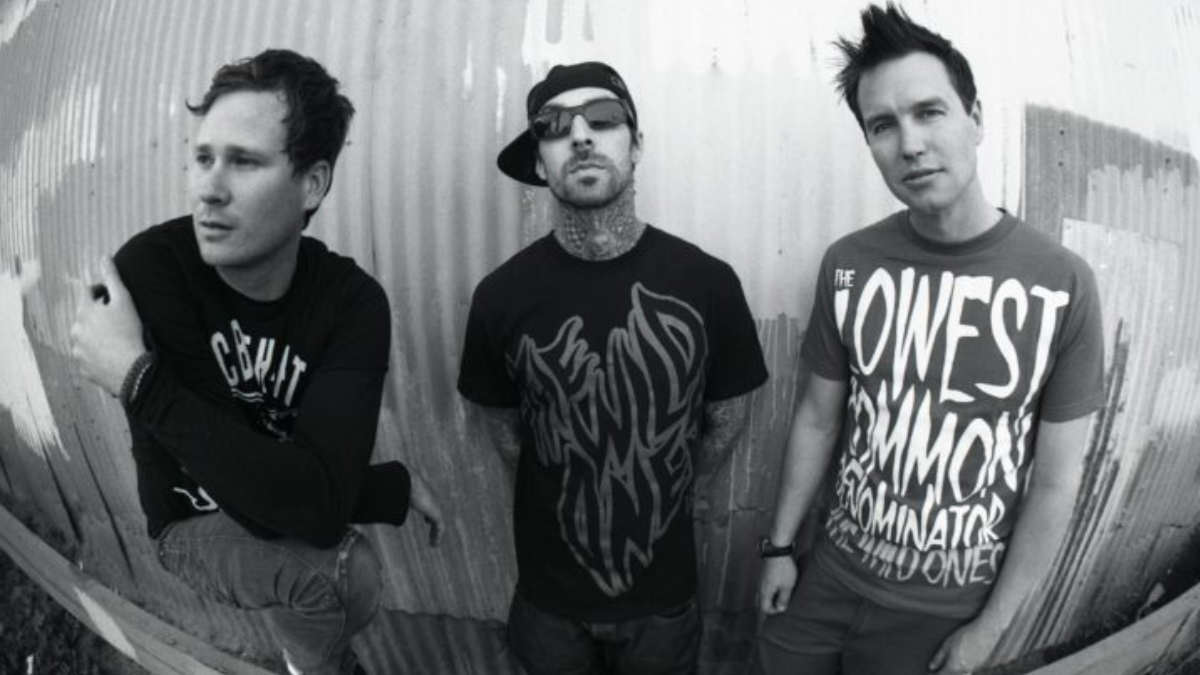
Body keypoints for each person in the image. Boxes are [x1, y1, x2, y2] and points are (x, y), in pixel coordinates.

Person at [753, 5, 1105, 675]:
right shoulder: (850, 265)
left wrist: (989, 631)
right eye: (883, 125)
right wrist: (778, 547)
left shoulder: (1061, 285)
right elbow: (819, 416)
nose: (909, 144)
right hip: (826, 576)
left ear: (976, 118)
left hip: (944, 612)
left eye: (929, 112)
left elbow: (1056, 483)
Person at [70, 49, 444, 675]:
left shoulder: (351, 303)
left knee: (311, 549)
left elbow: (313, 507)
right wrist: (379, 489)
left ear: (312, 184)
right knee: (340, 571)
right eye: (202, 158)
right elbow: (282, 503)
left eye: (243, 162)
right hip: (189, 521)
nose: (208, 189)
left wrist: (138, 379)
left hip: (270, 493)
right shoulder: (152, 273)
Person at [456, 62, 769, 675]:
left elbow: (727, 417)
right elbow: (505, 432)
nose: (580, 136)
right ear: (539, 160)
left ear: (636, 144)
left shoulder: (707, 283)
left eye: (602, 118)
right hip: (548, 602)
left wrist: (669, 489)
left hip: (663, 601)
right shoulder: (500, 297)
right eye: (554, 126)